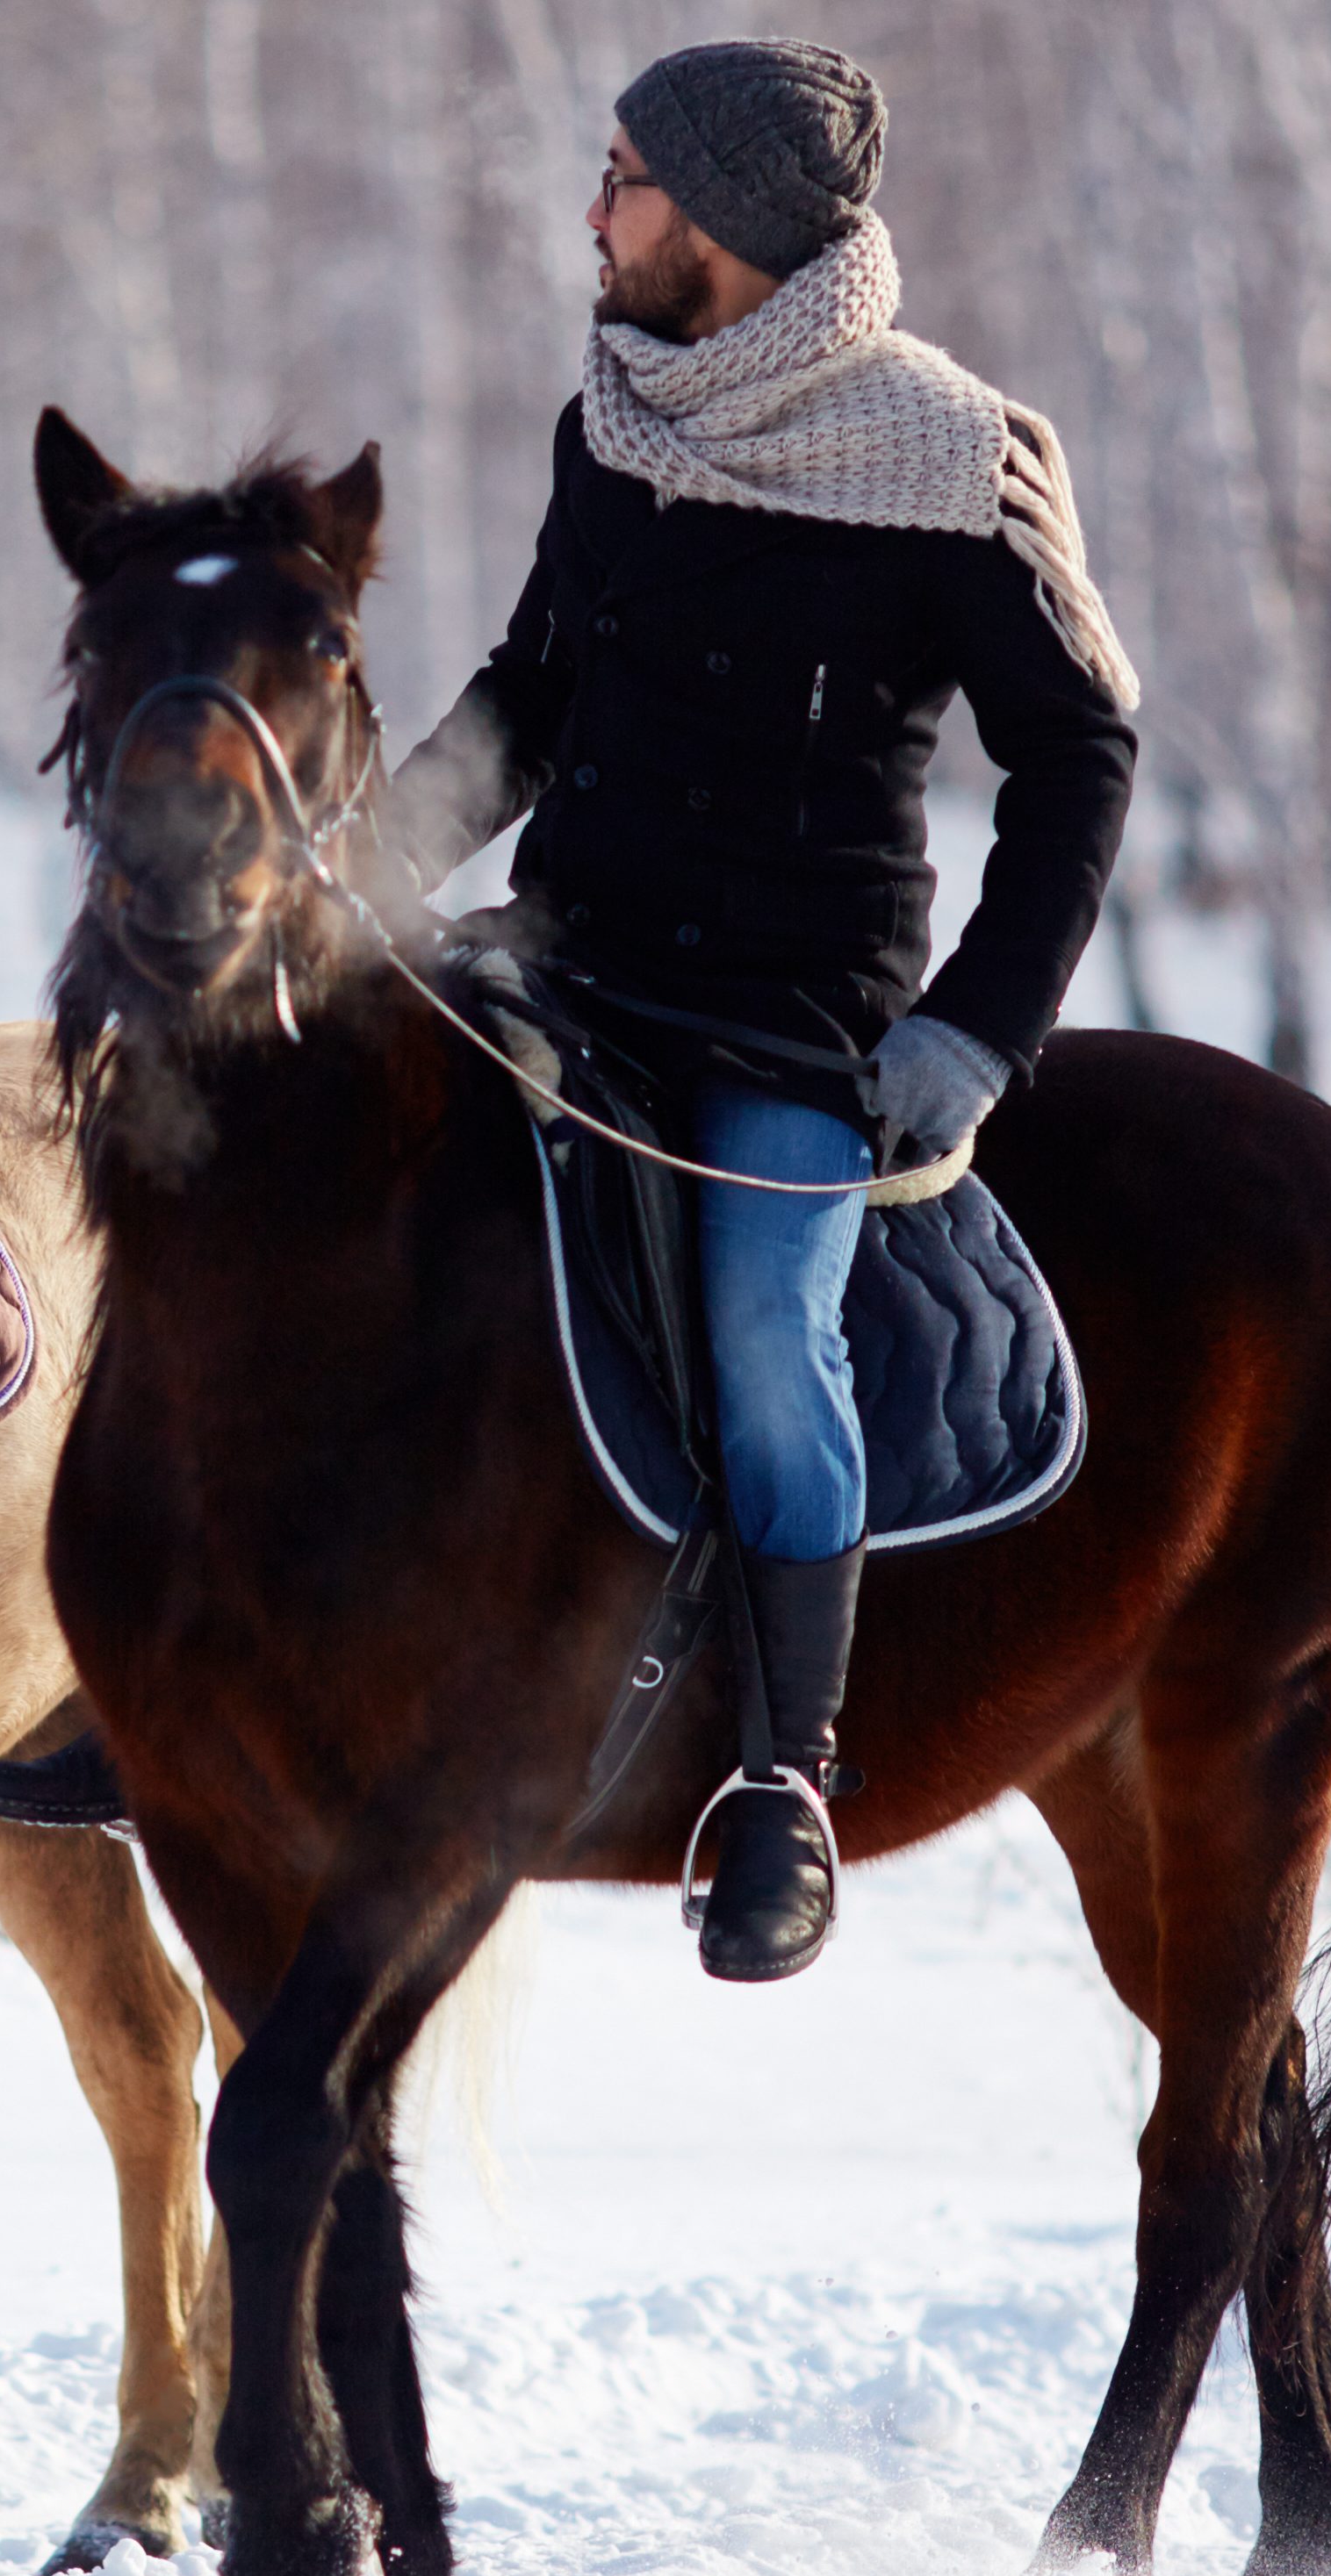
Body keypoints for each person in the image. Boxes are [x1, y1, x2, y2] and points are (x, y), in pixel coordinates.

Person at [381, 39, 1140, 1978]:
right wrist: (372, 860)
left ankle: (778, 1780)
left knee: (764, 1333)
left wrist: (978, 1026)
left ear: (720, 222)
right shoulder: (615, 415)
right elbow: (534, 690)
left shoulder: (958, 456)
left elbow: (1079, 753)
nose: (594, 211)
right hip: (567, 966)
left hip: (795, 1025)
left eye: (622, 178)